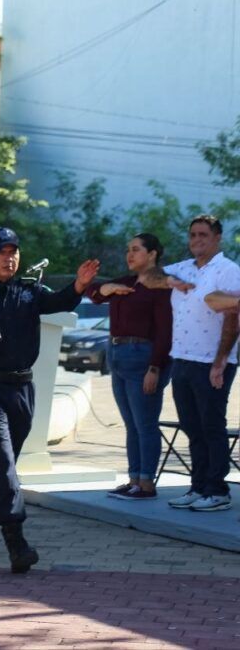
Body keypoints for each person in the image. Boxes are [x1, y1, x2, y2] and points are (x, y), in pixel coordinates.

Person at [0, 227, 99, 574]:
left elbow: (57, 302)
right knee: (3, 461)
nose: (9, 257)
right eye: (1, 251)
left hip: (22, 390)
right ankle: (16, 539)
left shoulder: (29, 291)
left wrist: (79, 284)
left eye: (14, 250)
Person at [147, 215, 240, 512]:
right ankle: (198, 486)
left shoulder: (227, 271)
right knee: (191, 425)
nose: (196, 240)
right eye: (192, 235)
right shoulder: (184, 268)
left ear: (217, 238)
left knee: (212, 425)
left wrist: (220, 361)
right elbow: (147, 276)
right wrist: (169, 280)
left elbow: (233, 316)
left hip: (212, 362)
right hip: (182, 359)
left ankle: (218, 490)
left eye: (203, 235)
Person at [86, 234, 172, 501]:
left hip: (142, 355)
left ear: (153, 254)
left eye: (136, 250)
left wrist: (155, 367)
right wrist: (106, 290)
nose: (129, 255)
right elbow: (91, 292)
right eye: (128, 250)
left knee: (145, 423)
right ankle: (133, 479)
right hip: (117, 354)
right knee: (131, 424)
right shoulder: (125, 282)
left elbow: (166, 331)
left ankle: (147, 483)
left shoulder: (160, 285)